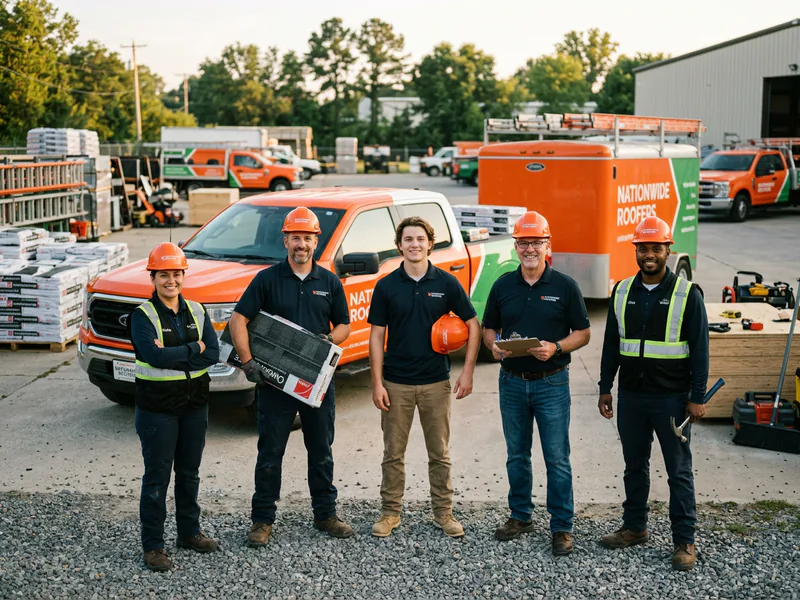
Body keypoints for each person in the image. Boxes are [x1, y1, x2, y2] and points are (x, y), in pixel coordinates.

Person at [229, 206, 353, 546]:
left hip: (316, 382)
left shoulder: (329, 281)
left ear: (317, 241)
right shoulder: (267, 279)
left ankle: (326, 514)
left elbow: (344, 324)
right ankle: (262, 521)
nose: (301, 244)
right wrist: (248, 361)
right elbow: (238, 320)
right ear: (285, 240)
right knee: (270, 452)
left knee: (321, 449)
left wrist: (330, 341)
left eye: (307, 238)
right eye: (295, 237)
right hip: (274, 381)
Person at [597, 216, 709, 572]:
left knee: (678, 471)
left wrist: (697, 396)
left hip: (672, 399)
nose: (649, 254)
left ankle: (684, 540)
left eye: (656, 248)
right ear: (636, 250)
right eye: (643, 248)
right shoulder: (623, 290)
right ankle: (635, 527)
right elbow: (612, 344)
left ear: (667, 250)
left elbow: (700, 348)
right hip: (631, 396)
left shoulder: (687, 294)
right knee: (634, 465)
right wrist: (605, 387)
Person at [482, 211, 591, 556]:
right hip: (512, 381)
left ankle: (561, 527)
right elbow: (488, 329)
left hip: (551, 383)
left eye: (536, 242)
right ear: (516, 245)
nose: (530, 248)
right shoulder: (502, 285)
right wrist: (494, 346)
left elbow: (584, 333)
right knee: (517, 455)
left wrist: (557, 347)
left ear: (548, 245)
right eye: (524, 242)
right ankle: (520, 516)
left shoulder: (565, 286)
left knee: (557, 458)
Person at [368, 216, 481, 538]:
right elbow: (377, 336)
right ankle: (390, 513)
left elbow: (473, 325)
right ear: (399, 245)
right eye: (408, 239)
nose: (414, 244)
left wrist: (468, 371)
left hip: (436, 382)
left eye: (420, 238)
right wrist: (377, 383)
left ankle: (444, 513)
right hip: (396, 383)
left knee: (439, 453)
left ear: (430, 243)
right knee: (393, 454)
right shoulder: (387, 285)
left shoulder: (446, 283)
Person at [129, 242, 221, 572]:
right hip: (157, 409)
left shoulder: (196, 310)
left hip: (194, 404)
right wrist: (193, 346)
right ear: (152, 278)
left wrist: (184, 349)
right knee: (156, 479)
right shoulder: (143, 316)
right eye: (164, 274)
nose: (171, 280)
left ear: (184, 275)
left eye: (177, 274)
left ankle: (189, 533)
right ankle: (153, 546)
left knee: (189, 474)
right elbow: (152, 356)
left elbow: (212, 353)